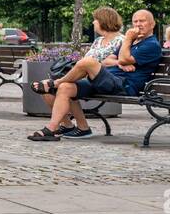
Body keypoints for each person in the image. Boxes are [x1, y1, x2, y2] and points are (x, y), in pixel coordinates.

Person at [28, 9, 162, 141]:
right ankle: (75, 128)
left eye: (142, 21)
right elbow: (107, 60)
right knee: (65, 87)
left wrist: (127, 41)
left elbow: (123, 58)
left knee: (87, 63)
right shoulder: (132, 42)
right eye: (135, 21)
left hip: (123, 85)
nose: (138, 24)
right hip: (106, 80)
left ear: (152, 24)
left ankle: (55, 86)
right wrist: (119, 62)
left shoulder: (151, 45)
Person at [35, 6, 124, 138]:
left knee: (60, 86)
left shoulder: (122, 40)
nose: (93, 22)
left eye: (95, 19)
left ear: (104, 21)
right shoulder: (98, 41)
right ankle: (67, 125)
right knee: (46, 89)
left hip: (104, 81)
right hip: (87, 78)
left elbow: (119, 62)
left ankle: (57, 85)